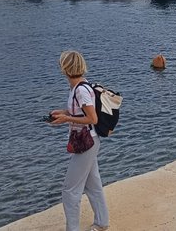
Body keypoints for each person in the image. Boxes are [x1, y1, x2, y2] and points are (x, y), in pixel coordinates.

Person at [50, 50, 109, 231]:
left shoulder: (81, 90)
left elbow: (92, 119)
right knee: (93, 184)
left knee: (70, 191)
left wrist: (67, 119)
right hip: (90, 140)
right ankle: (101, 223)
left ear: (65, 68)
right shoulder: (79, 87)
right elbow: (82, 112)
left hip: (87, 143)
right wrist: (64, 113)